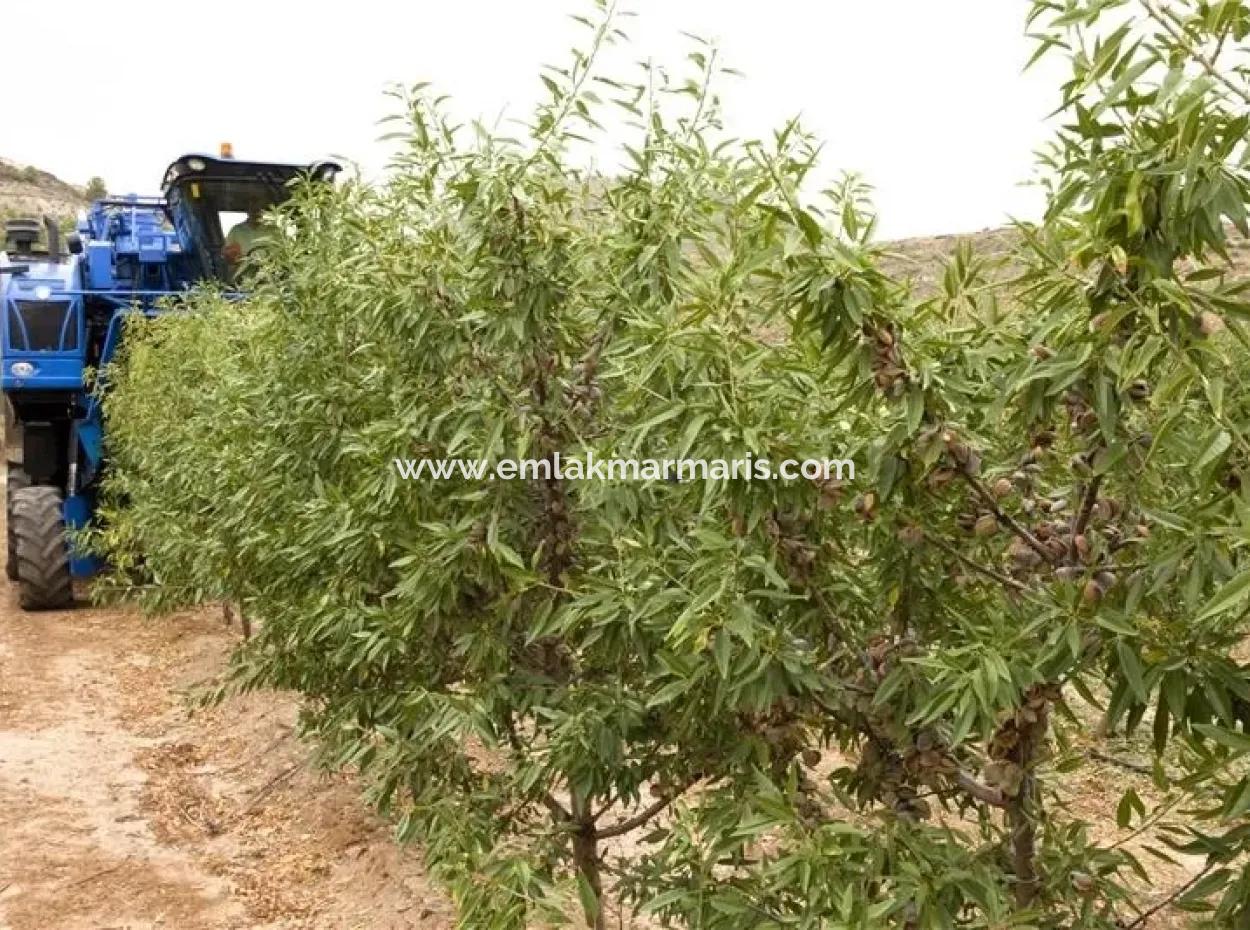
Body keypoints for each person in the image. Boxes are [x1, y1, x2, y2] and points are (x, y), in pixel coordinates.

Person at [223, 202, 270, 276]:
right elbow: (228, 257)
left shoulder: (273, 230)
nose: (256, 213)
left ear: (263, 211)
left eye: (258, 210)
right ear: (247, 211)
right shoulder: (236, 230)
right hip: (245, 276)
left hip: (270, 275)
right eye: (253, 210)